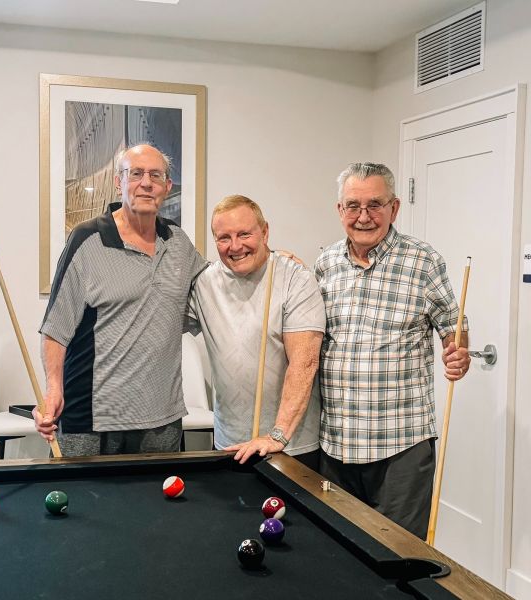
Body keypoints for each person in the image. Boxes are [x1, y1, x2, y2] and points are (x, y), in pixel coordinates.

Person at [314, 162, 471, 539]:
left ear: (394, 208)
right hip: (336, 441)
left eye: (375, 205)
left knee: (399, 556)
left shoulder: (424, 261)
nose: (364, 216)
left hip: (401, 445)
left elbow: (456, 328)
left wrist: (458, 353)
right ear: (339, 211)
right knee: (341, 553)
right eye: (353, 205)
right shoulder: (325, 264)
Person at [35, 143, 207, 456]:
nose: (146, 183)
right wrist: (52, 389)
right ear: (119, 182)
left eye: (156, 175)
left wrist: (271, 260)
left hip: (161, 418)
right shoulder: (86, 239)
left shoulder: (179, 243)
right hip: (91, 416)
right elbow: (55, 330)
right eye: (136, 174)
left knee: (157, 504)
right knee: (83, 502)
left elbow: (218, 286)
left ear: (167, 187)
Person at [187, 195, 325, 470]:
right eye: (223, 237)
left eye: (244, 234)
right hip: (230, 444)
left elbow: (304, 363)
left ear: (265, 232)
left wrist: (278, 435)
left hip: (290, 446)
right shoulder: (204, 284)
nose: (235, 246)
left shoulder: (295, 279)